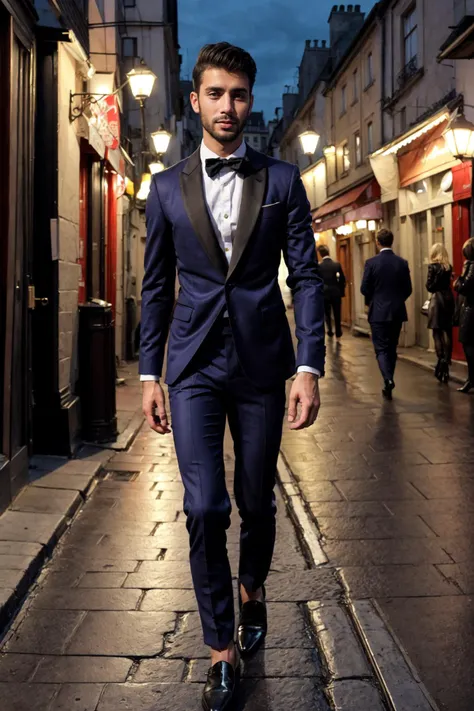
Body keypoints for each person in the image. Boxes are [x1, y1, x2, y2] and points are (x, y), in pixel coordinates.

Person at [140, 43, 325, 711]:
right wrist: (147, 372)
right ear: (196, 101)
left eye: (239, 94)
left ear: (250, 99)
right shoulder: (164, 189)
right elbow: (156, 287)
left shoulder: (281, 182)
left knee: (256, 499)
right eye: (215, 94)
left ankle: (251, 587)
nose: (228, 106)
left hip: (260, 363)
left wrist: (307, 365)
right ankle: (221, 650)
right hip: (190, 366)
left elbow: (304, 278)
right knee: (202, 506)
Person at [360, 229, 412, 400]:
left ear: (377, 242)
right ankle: (389, 379)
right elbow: (408, 289)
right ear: (392, 241)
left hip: (378, 312)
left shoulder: (371, 263)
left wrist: (375, 298)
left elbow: (364, 288)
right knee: (392, 347)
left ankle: (388, 379)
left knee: (381, 348)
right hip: (397, 311)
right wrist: (397, 299)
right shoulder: (401, 263)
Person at [426, 243, 454, 383]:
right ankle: (447, 362)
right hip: (448, 299)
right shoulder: (449, 267)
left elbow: (430, 287)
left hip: (437, 301)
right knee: (448, 331)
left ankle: (441, 361)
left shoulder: (433, 267)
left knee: (437, 332)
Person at [454, 237, 474, 394]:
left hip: (471, 311)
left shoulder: (471, 266)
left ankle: (471, 379)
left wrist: (458, 279)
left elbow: (464, 287)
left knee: (469, 345)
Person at [317, 244, 346, 338]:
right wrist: (341, 292)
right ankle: (338, 331)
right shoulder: (336, 265)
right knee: (337, 312)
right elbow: (342, 280)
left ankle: (329, 330)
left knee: (327, 313)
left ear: (321, 254)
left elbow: (318, 281)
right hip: (335, 292)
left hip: (324, 293)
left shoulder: (319, 266)